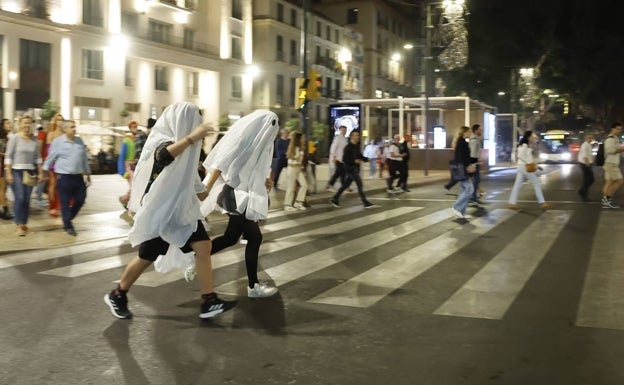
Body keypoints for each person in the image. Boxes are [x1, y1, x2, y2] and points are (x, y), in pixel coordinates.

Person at [104, 102, 235, 320]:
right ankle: (118, 294)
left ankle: (209, 301)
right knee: (147, 255)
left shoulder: (189, 156)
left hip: (180, 213)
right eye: (195, 123)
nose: (198, 128)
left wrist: (220, 178)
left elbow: (200, 191)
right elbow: (164, 156)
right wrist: (193, 137)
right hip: (161, 213)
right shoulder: (162, 142)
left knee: (203, 247)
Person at [183, 109, 280, 299]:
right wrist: (206, 188)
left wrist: (264, 182)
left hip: (238, 196)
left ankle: (196, 260)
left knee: (231, 237)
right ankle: (253, 287)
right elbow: (219, 163)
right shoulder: (243, 142)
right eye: (271, 126)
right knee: (254, 237)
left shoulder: (256, 146)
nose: (273, 131)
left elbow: (251, 173)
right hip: (234, 196)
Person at [42, 120, 91, 236]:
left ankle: (68, 218)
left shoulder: (79, 141)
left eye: (75, 126)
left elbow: (84, 159)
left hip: (78, 177)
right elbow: (50, 158)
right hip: (64, 178)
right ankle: (68, 226)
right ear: (65, 129)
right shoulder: (57, 142)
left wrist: (88, 174)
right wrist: (44, 172)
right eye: (72, 127)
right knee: (64, 203)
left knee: (81, 199)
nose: (74, 129)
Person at [4, 116, 44, 236]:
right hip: (16, 171)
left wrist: (41, 172)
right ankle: (18, 225)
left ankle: (24, 225)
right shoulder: (14, 138)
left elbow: (37, 157)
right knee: (20, 197)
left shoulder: (34, 139)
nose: (27, 125)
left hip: (30, 172)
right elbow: (8, 156)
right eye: (25, 123)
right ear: (20, 124)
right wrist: (9, 172)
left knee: (26, 200)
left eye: (30, 123)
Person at [330, 131, 377, 209]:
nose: (358, 137)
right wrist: (354, 161)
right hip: (350, 169)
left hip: (355, 168)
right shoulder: (347, 147)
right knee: (359, 184)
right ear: (352, 137)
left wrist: (366, 159)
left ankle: (335, 198)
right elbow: (344, 159)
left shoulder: (356, 146)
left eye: (358, 135)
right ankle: (365, 202)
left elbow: (360, 156)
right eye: (356, 135)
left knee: (345, 185)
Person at [508, 130, 550, 210]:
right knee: (536, 182)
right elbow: (521, 156)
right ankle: (542, 202)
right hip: (524, 167)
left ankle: (512, 203)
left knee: (517, 185)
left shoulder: (526, 145)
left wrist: (536, 166)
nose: (533, 138)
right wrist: (530, 164)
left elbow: (528, 158)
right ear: (528, 137)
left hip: (522, 166)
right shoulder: (524, 145)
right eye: (532, 137)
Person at [450, 126, 476, 219]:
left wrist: (474, 161)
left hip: (461, 168)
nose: (470, 133)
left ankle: (461, 213)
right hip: (462, 169)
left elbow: (465, 157)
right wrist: (468, 166)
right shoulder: (462, 143)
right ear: (464, 132)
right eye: (469, 132)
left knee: (463, 190)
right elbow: (461, 158)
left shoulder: (461, 142)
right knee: (470, 189)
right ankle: (456, 207)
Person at [601, 122, 624, 208]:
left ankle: (606, 201)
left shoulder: (615, 138)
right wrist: (622, 149)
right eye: (617, 129)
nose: (619, 130)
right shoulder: (610, 139)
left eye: (620, 129)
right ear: (612, 129)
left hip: (612, 163)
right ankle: (606, 199)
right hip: (611, 164)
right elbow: (611, 150)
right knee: (619, 180)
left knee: (609, 182)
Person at [46, 113, 64, 217]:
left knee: (63, 185)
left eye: (61, 120)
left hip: (64, 163)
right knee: (52, 185)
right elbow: (48, 149)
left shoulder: (66, 134)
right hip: (53, 163)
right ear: (55, 122)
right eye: (58, 120)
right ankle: (52, 207)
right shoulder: (51, 134)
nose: (60, 122)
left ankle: (61, 205)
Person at [283, 131, 308, 211]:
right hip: (292, 168)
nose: (303, 139)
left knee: (304, 185)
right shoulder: (294, 148)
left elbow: (299, 160)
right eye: (302, 138)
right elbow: (292, 160)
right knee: (291, 187)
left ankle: (298, 202)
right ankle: (287, 204)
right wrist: (299, 155)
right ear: (298, 139)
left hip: (298, 169)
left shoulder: (300, 147)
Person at [117, 121, 137, 209]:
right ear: (130, 128)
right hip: (128, 165)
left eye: (136, 127)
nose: (135, 128)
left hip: (136, 165)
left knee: (136, 185)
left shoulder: (137, 139)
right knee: (134, 185)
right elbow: (121, 156)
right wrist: (122, 171)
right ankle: (125, 200)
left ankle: (125, 200)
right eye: (133, 127)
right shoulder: (126, 140)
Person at [326, 125, 348, 192]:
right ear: (340, 130)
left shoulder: (345, 139)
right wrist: (334, 157)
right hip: (338, 158)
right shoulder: (337, 138)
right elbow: (333, 148)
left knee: (343, 173)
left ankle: (343, 187)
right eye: (343, 130)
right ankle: (330, 185)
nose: (344, 131)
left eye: (345, 130)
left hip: (343, 159)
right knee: (338, 173)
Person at [0, 118, 13, 220]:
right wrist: (7, 154)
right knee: (2, 189)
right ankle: (5, 211)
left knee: (3, 189)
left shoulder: (7, 138)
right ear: (3, 126)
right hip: (0, 166)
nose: (10, 125)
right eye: (7, 123)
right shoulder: (2, 138)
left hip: (3, 165)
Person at [468, 124, 483, 205]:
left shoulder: (475, 139)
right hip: (474, 164)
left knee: (476, 180)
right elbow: (473, 154)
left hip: (475, 163)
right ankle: (472, 198)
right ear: (476, 130)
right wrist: (474, 164)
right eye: (480, 129)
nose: (481, 131)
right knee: (476, 180)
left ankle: (473, 197)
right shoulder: (474, 140)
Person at [577, 133, 594, 202]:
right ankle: (584, 196)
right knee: (587, 180)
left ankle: (581, 191)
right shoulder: (585, 145)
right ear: (585, 138)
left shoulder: (589, 144)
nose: (591, 139)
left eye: (591, 138)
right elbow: (585, 156)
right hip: (585, 164)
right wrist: (587, 165)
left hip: (587, 164)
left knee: (591, 179)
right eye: (589, 137)